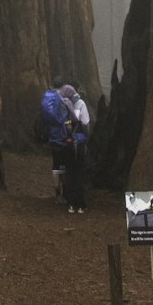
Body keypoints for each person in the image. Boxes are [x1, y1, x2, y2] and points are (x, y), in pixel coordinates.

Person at [59, 83, 90, 213]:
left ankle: (71, 204)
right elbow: (86, 124)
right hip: (79, 145)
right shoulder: (81, 104)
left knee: (70, 173)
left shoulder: (63, 105)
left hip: (68, 144)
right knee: (79, 173)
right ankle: (81, 205)